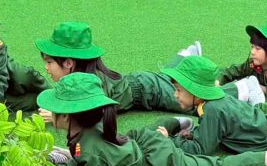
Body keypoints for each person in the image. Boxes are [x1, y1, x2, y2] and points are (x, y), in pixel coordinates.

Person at [37, 73, 267, 166]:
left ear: (69, 115)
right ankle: (179, 124)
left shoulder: (89, 143)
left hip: (158, 160)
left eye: (55, 109)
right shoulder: (89, 129)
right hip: (146, 145)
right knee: (181, 145)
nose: (50, 114)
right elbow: (85, 162)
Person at [35, 21, 181, 113]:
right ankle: (182, 59)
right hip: (140, 82)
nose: (46, 68)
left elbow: (94, 114)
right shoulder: (79, 78)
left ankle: (185, 59)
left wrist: (57, 113)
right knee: (170, 76)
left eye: (49, 62)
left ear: (68, 63)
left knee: (190, 100)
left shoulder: (94, 83)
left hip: (151, 89)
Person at [153, 54, 267, 155]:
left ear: (196, 92)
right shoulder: (212, 103)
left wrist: (169, 140)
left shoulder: (212, 108)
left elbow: (200, 149)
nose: (175, 95)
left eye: (179, 90)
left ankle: (250, 87)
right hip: (261, 123)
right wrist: (194, 134)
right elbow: (215, 128)